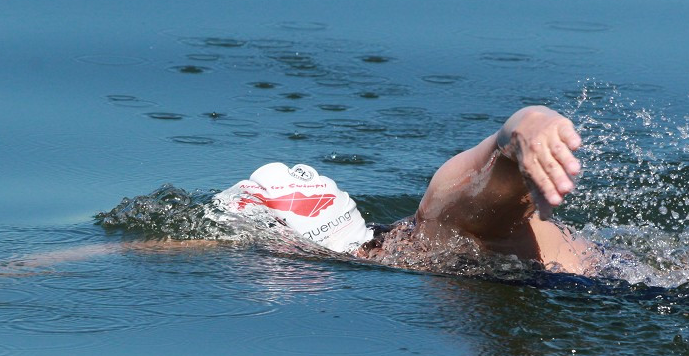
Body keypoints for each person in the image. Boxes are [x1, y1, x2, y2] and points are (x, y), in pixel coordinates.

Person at [212, 105, 597, 275]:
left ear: (292, 249)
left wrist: (529, 125)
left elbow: (490, 162)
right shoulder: (404, 246)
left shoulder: (429, 237)